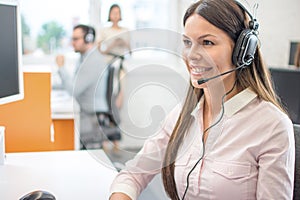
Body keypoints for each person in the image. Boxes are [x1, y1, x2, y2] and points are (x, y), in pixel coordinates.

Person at [109, 0, 295, 199]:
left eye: (207, 42)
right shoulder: (182, 116)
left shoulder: (272, 126)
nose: (191, 55)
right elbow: (132, 174)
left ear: (242, 50)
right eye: (188, 43)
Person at [56, 24, 108, 149]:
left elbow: (73, 90)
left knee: (64, 134)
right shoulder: (84, 57)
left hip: (91, 116)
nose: (72, 43)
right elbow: (74, 83)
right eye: (72, 39)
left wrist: (61, 67)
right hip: (85, 111)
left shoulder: (92, 60)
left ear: (88, 39)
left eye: (76, 39)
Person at [97, 4, 131, 152]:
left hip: (120, 67)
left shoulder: (126, 31)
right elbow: (100, 50)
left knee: (118, 103)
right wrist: (112, 45)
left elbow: (130, 50)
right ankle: (105, 139)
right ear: (110, 15)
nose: (115, 15)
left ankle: (116, 140)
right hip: (107, 67)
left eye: (118, 13)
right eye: (113, 13)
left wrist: (123, 43)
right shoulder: (104, 31)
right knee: (106, 102)